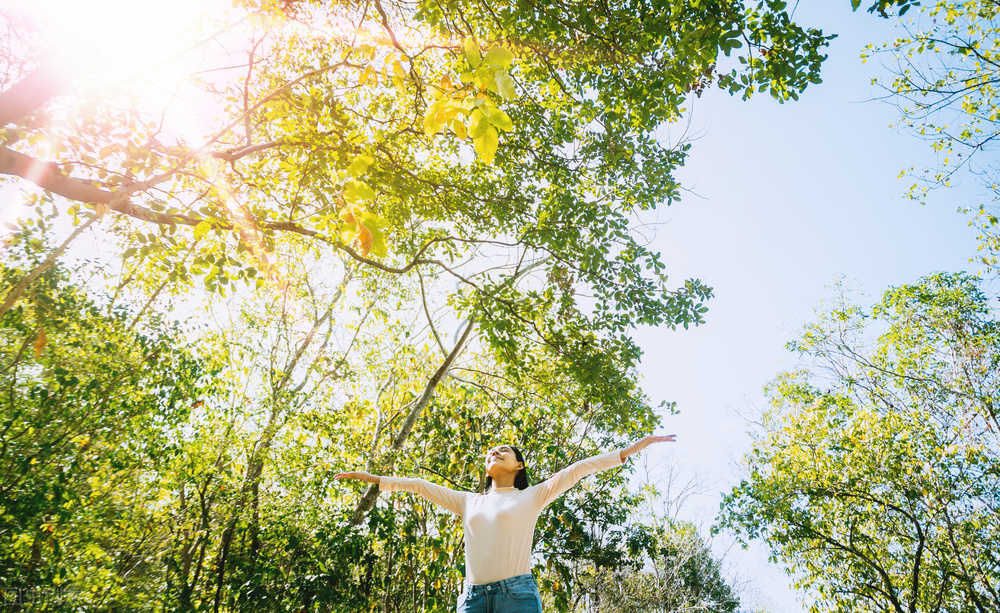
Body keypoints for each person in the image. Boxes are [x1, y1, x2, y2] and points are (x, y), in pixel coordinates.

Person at [334, 434, 676, 613]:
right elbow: (421, 486)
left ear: (518, 466)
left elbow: (578, 469)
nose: (493, 453)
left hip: (517, 597)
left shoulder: (532, 496)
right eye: (490, 453)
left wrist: (630, 450)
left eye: (503, 451)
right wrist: (376, 478)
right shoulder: (468, 501)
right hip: (471, 601)